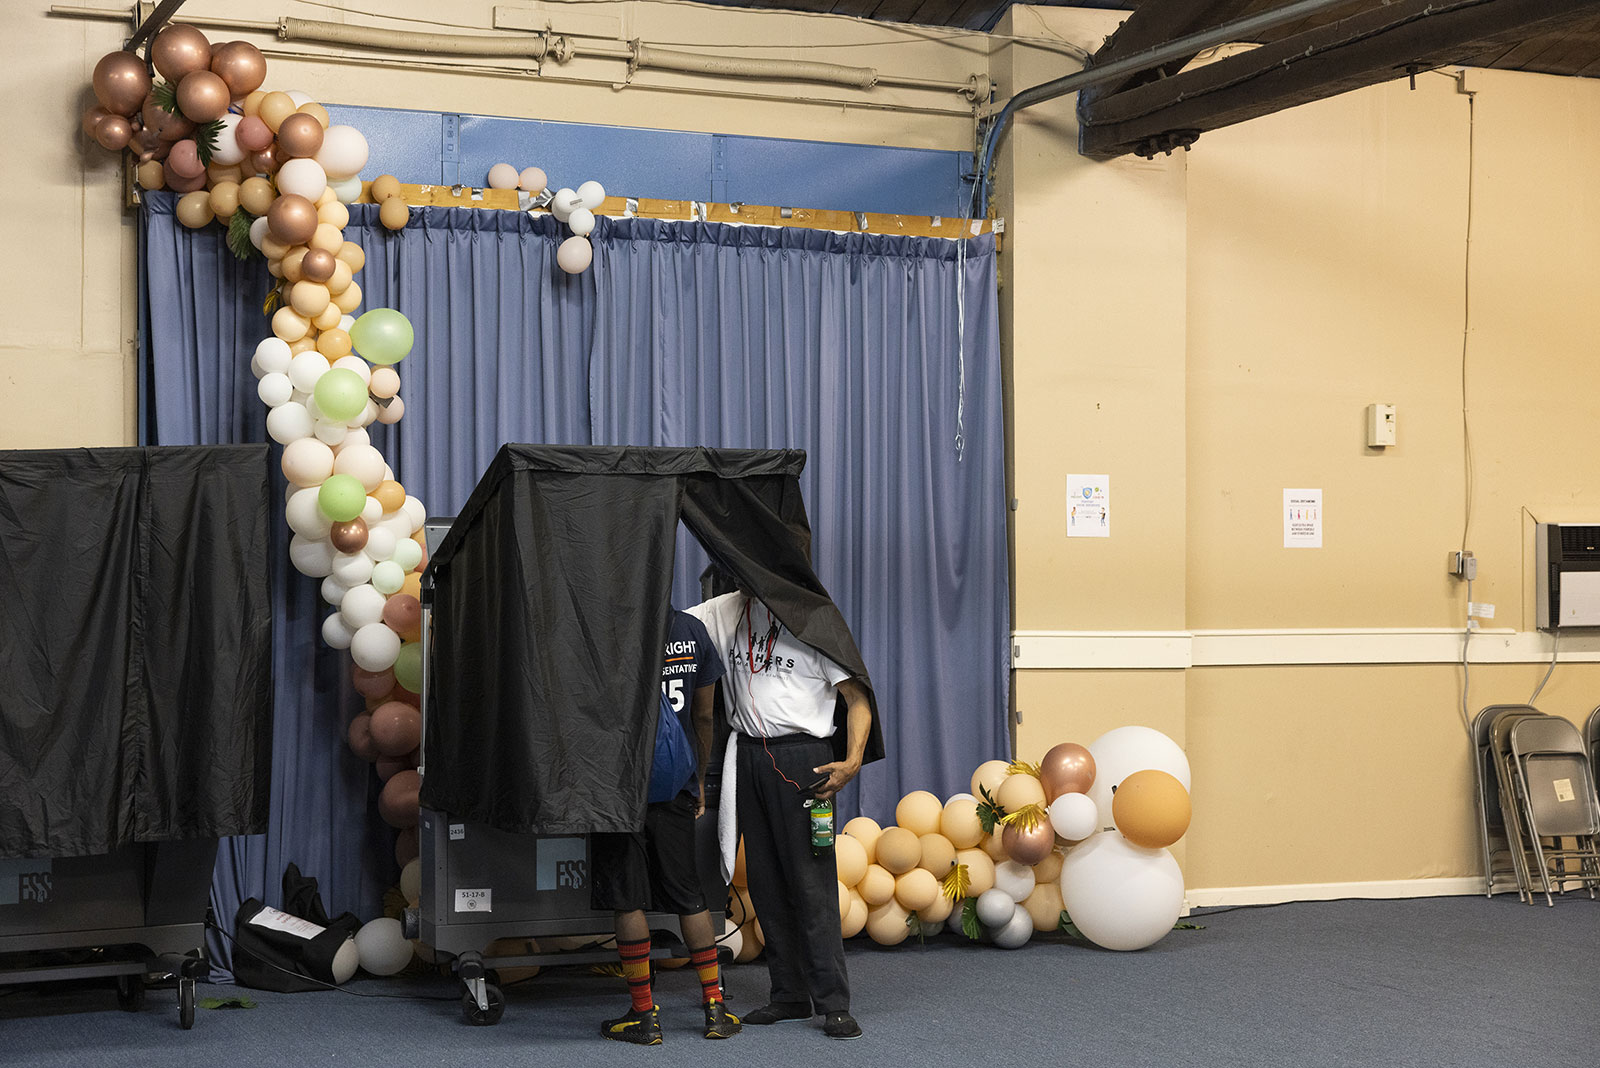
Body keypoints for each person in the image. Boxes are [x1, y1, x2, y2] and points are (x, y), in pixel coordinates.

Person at [687, 584, 873, 1041]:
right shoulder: (728, 612)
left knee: (811, 884)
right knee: (767, 884)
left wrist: (850, 763)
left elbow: (858, 700)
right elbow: (678, 623)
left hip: (802, 760)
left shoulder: (814, 622)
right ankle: (788, 994)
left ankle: (833, 1003)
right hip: (748, 756)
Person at [590, 608, 740, 1044]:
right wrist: (696, 778)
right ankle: (715, 1008)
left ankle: (644, 1016)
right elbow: (705, 716)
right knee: (690, 895)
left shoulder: (609, 627)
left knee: (628, 899)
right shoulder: (692, 631)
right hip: (675, 781)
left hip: (617, 786)